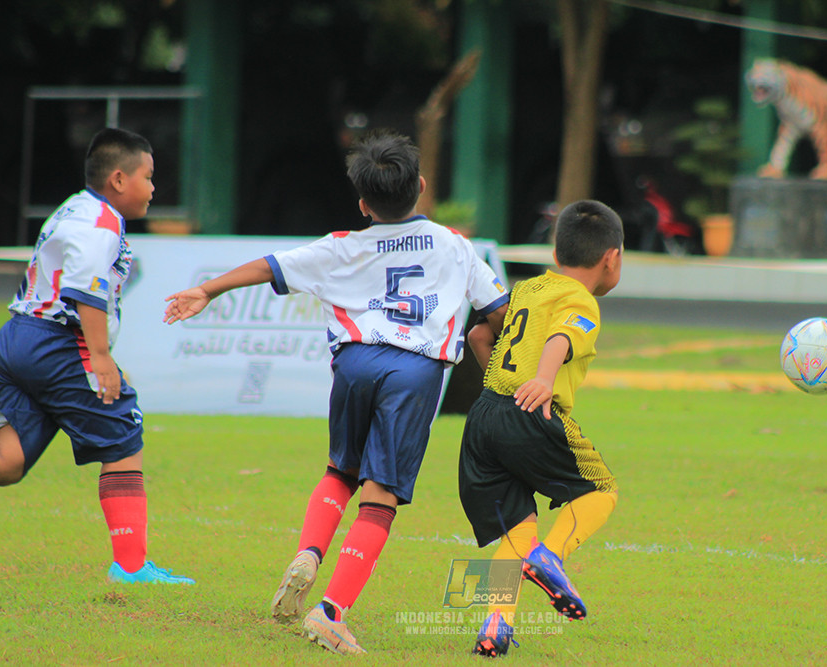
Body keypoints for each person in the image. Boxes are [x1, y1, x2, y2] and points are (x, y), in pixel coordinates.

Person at [162, 129, 509, 655]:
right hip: (413, 372)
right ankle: (331, 611)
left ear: (364, 203)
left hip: (354, 362)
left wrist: (206, 289)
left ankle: (308, 552)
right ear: (419, 185)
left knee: (341, 470)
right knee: (382, 493)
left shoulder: (340, 246)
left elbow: (268, 267)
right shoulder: (454, 246)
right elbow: (499, 312)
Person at [0, 127, 194, 585]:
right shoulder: (102, 224)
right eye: (149, 176)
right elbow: (86, 293)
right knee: (123, 433)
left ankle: (132, 566)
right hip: (56, 341)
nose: (154, 188)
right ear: (119, 179)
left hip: (17, 336)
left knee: (6, 463)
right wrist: (101, 358)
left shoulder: (74, 206)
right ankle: (132, 568)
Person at [458, 199, 624, 657]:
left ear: (556, 252)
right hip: (530, 411)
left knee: (517, 526)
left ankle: (495, 627)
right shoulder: (581, 299)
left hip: (485, 415)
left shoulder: (529, 289)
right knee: (600, 491)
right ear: (612, 257)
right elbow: (562, 337)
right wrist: (543, 381)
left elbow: (478, 336)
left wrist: (501, 386)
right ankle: (550, 557)